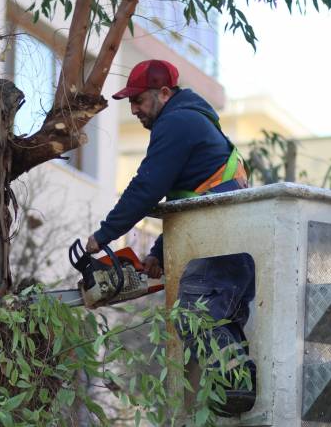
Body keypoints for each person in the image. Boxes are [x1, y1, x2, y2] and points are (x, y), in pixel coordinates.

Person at [85, 59, 256, 415]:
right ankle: (234, 398)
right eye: (130, 102)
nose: (133, 109)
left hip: (220, 239)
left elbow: (147, 186)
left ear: (164, 93)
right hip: (223, 237)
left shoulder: (177, 122)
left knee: (196, 311)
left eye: (139, 100)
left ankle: (238, 390)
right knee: (214, 319)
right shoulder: (190, 120)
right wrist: (160, 254)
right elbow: (186, 199)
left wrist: (104, 235)